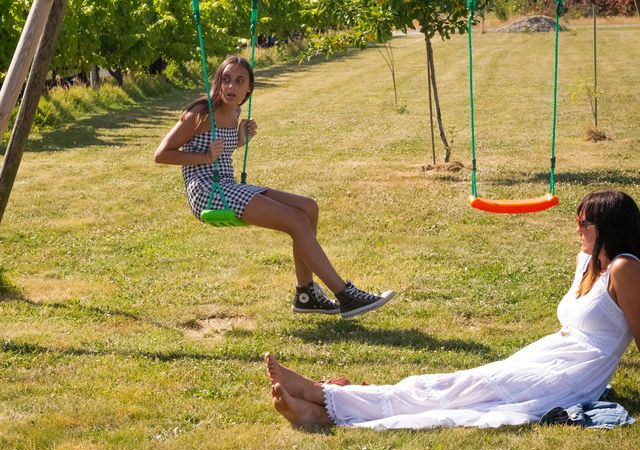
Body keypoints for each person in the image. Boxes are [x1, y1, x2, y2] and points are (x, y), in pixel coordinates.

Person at [265, 190, 640, 429]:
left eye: (584, 222)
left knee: (465, 394)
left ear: (608, 226)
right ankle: (320, 409)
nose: (577, 228)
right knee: (449, 385)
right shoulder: (587, 260)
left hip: (575, 373)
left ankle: (323, 399)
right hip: (548, 354)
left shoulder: (626, 269)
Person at [155, 56, 394, 318]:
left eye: (239, 81)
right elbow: (162, 154)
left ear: (249, 88)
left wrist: (240, 139)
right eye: (226, 80)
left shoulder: (235, 112)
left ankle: (306, 295)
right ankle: (345, 295)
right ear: (218, 83)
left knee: (308, 207)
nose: (231, 87)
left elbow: (220, 150)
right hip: (207, 192)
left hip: (227, 186)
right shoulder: (200, 113)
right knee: (295, 220)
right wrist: (204, 158)